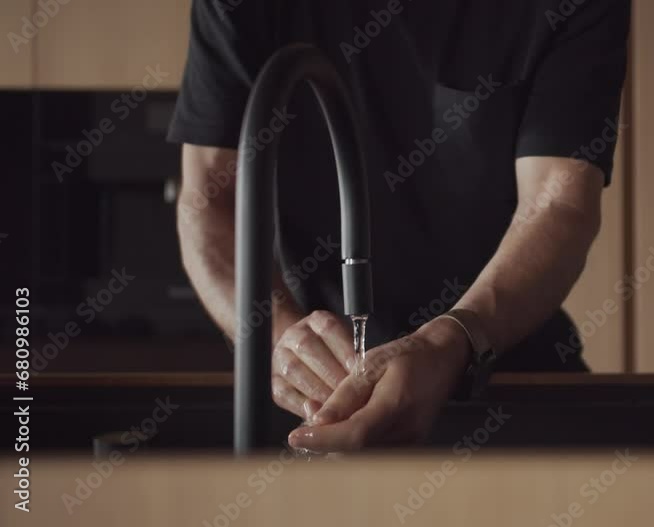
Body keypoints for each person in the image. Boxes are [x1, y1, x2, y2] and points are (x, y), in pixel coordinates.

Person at [169, 0, 630, 452]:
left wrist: (454, 340)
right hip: (313, 389)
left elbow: (559, 202)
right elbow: (209, 197)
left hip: (505, 377)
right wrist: (277, 339)